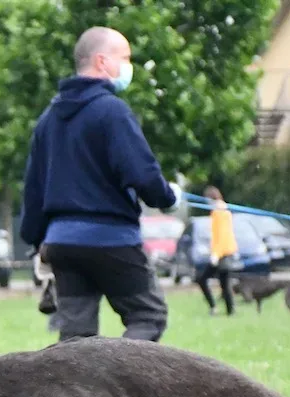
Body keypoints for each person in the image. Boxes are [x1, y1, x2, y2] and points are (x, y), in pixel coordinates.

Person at [21, 26, 181, 343]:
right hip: (110, 239)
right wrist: (167, 197)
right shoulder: (112, 112)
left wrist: (37, 239)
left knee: (76, 337)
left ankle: (72, 392)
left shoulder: (48, 119)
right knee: (148, 316)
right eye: (125, 57)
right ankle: (117, 384)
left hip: (62, 244)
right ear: (102, 61)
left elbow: (33, 190)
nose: (129, 66)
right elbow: (143, 174)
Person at [200, 186, 237, 316]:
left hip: (222, 252)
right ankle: (229, 311)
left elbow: (221, 235)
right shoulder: (222, 210)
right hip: (225, 250)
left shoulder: (219, 212)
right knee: (224, 283)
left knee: (204, 279)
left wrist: (216, 254)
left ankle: (220, 308)